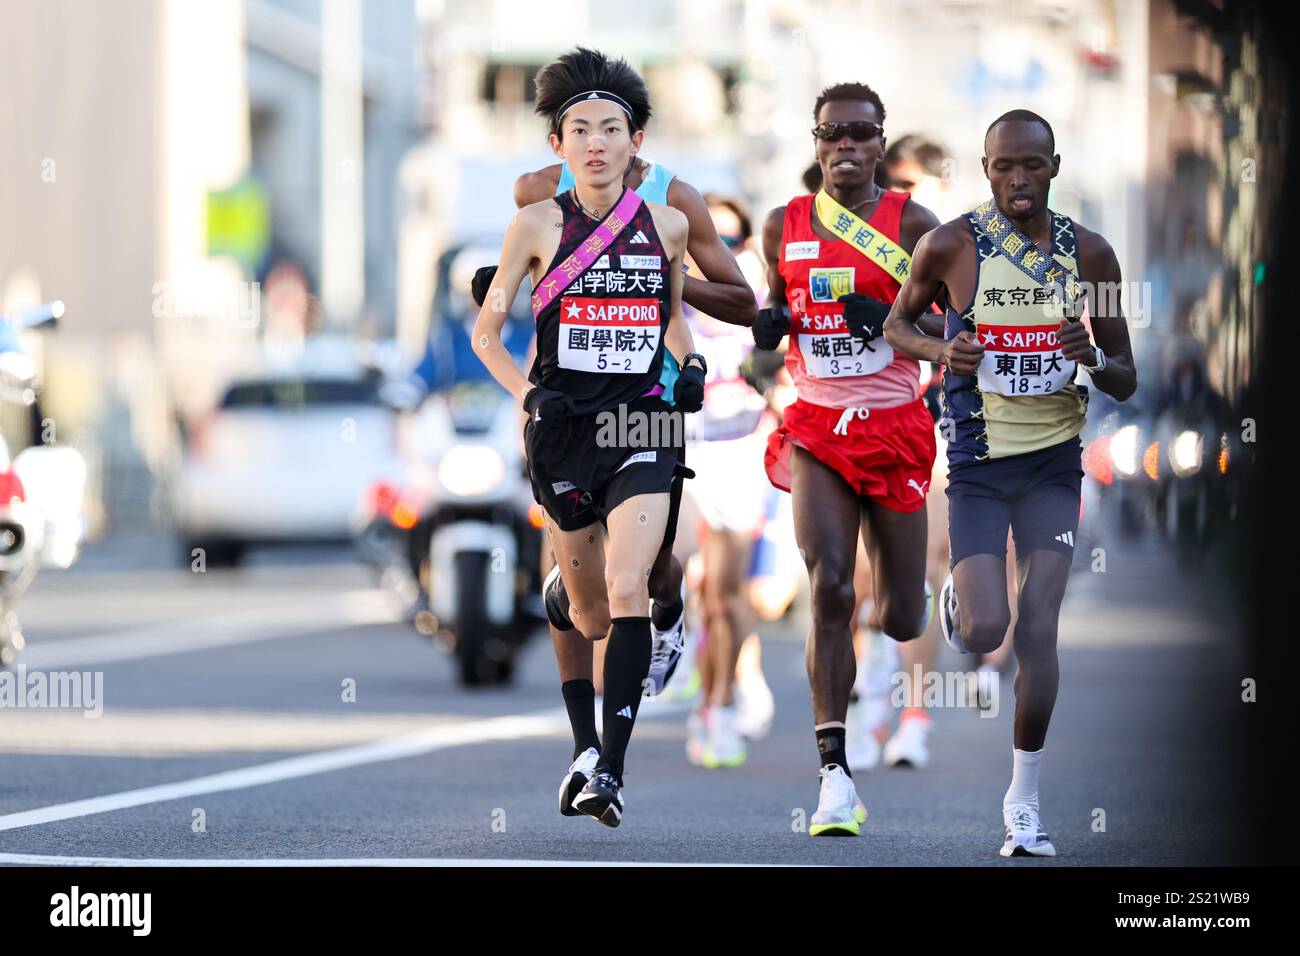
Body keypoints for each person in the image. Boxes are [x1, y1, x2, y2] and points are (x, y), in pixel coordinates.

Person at [473, 48, 757, 723]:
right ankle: (590, 737)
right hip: (561, 398)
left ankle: (667, 607)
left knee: (654, 569)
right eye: (581, 129)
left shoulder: (674, 200)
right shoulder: (535, 192)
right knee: (587, 585)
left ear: (635, 136)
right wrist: (500, 284)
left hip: (648, 399)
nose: (595, 144)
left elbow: (744, 303)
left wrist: (669, 280)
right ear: (560, 135)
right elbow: (529, 271)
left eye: (610, 129)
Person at [884, 109, 1138, 856]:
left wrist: (1090, 354)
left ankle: (1023, 800)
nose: (1017, 180)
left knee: (1037, 627)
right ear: (986, 168)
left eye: (1031, 166)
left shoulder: (1091, 254)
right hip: (979, 465)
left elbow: (1125, 375)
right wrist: (941, 349)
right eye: (1003, 167)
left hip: (1054, 462)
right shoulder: (948, 245)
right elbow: (897, 326)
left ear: (1053, 167)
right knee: (988, 629)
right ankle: (966, 598)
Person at [753, 82, 943, 836]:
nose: (845, 148)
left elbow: (958, 320)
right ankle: (834, 776)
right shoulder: (785, 223)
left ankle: (923, 606)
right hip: (818, 427)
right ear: (817, 140)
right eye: (832, 134)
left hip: (895, 425)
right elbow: (777, 306)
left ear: (880, 143)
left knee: (897, 616)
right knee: (830, 588)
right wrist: (769, 328)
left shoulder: (916, 223)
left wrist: (898, 319)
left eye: (860, 135)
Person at [679, 194, 775, 768]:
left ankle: (717, 704)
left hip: (740, 453)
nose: (719, 251)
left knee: (726, 595)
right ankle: (680, 649)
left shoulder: (758, 306)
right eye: (705, 240)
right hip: (679, 451)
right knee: (676, 574)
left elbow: (784, 365)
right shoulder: (672, 302)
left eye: (732, 241)